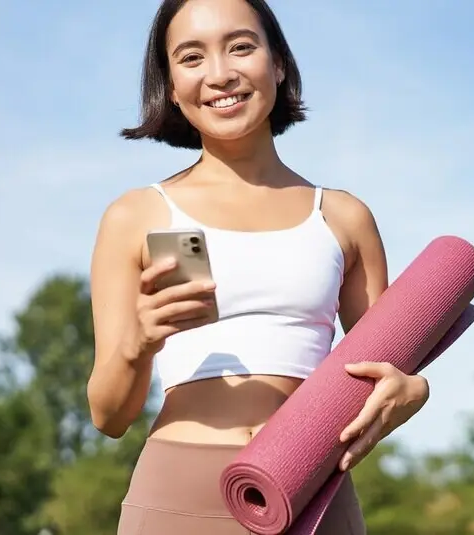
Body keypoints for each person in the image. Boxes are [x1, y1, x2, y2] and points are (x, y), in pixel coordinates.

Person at [86, 0, 432, 533]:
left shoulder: (343, 217)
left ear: (279, 64)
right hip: (176, 495)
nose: (220, 73)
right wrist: (139, 344)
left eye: (241, 47)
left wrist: (414, 390)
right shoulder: (141, 215)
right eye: (192, 57)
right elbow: (109, 418)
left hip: (311, 491)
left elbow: (385, 367)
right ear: (171, 85)